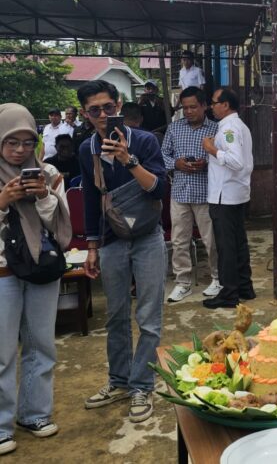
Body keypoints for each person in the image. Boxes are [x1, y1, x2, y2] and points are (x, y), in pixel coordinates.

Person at [77, 80, 167, 424]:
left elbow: (159, 188)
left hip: (147, 235)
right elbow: (89, 198)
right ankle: (119, 381)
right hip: (112, 238)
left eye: (108, 107)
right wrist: (91, 246)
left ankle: (141, 385)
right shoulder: (87, 149)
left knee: (149, 316)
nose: (103, 114)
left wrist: (128, 159)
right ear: (85, 114)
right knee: (115, 315)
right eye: (95, 110)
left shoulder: (144, 141)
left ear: (118, 105)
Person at [0, 103, 71, 456]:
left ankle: (35, 414)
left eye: (28, 142)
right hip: (3, 272)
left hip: (42, 268)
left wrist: (44, 196)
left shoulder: (50, 172)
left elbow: (61, 227)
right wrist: (2, 202)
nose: (20, 150)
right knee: (1, 353)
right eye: (12, 142)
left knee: (41, 344)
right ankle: (1, 426)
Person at [161, 86, 221, 303]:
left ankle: (217, 278)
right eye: (185, 108)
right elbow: (162, 155)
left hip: (205, 193)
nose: (188, 111)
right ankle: (183, 283)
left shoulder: (216, 129)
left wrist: (207, 163)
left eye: (193, 107)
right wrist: (175, 163)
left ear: (204, 106)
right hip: (180, 193)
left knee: (211, 241)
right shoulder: (174, 128)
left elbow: (225, 157)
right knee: (179, 241)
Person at [202, 87, 254, 309]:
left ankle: (229, 293)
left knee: (226, 247)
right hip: (235, 192)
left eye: (214, 102)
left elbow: (236, 161)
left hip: (225, 195)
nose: (211, 107)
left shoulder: (228, 128)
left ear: (225, 105)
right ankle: (244, 287)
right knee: (238, 243)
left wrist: (212, 149)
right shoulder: (238, 125)